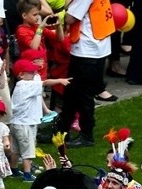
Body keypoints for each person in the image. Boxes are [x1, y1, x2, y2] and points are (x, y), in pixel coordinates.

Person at [54, 0, 112, 147]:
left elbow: (70, 18)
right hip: (94, 48)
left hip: (88, 51)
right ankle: (62, 129)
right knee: (71, 93)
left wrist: (65, 7)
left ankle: (86, 135)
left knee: (83, 96)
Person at [11, 58, 69, 181]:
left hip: (16, 124)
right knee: (28, 151)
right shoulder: (27, 86)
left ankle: (14, 169)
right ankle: (27, 175)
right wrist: (60, 80)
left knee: (15, 149)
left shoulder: (20, 84)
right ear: (21, 74)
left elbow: (37, 78)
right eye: (30, 72)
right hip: (26, 125)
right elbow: (45, 83)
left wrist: (35, 66)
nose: (34, 74)